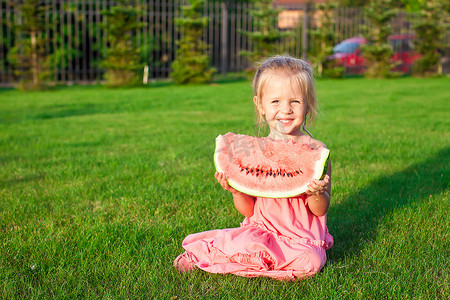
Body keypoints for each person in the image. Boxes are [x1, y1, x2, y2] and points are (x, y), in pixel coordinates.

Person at [173, 55, 333, 280]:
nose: (285, 110)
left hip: (300, 238)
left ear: (308, 104)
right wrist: (237, 190)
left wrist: (317, 192)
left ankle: (246, 260)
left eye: (295, 101)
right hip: (261, 231)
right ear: (260, 105)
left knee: (312, 261)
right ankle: (207, 252)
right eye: (276, 102)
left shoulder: (316, 152)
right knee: (250, 243)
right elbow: (248, 211)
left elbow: (319, 210)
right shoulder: (253, 153)